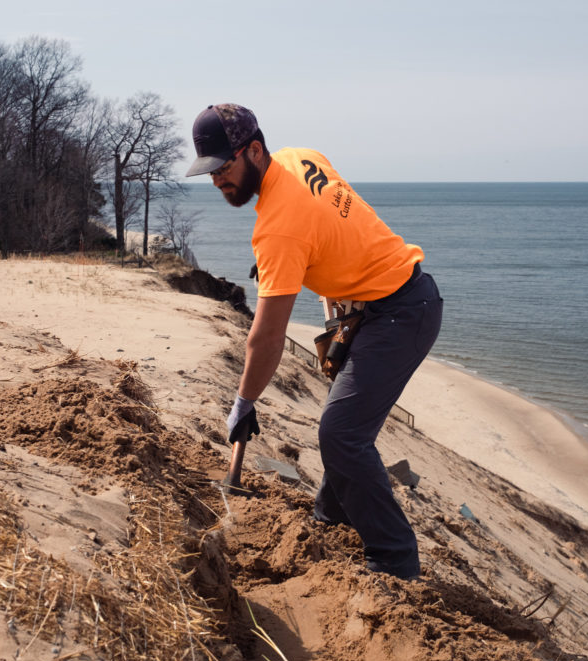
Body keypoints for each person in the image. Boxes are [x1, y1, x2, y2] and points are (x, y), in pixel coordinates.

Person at [186, 103, 443, 580]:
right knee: (346, 429)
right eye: (210, 172)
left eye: (224, 167)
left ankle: (395, 562)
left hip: (401, 315)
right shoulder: (301, 156)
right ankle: (331, 517)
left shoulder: (277, 230)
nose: (218, 180)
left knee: (341, 433)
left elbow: (267, 337)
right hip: (386, 303)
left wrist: (244, 400)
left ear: (255, 150)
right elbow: (335, 221)